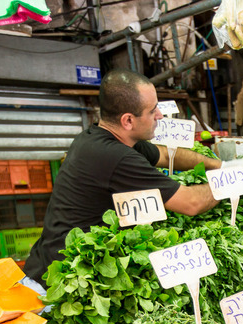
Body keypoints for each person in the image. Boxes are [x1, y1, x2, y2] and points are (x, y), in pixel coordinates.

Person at [22, 69, 223, 290]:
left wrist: (219, 165)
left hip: (49, 269)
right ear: (128, 120)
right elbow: (191, 203)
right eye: (152, 110)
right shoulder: (116, 157)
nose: (159, 115)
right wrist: (231, 181)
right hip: (56, 286)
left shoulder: (98, 137)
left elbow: (166, 155)